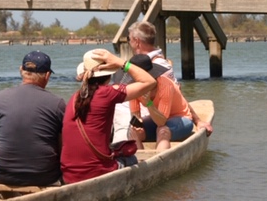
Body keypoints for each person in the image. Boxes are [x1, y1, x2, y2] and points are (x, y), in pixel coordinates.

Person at [60, 49, 156, 184]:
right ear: (109, 75)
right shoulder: (107, 93)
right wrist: (121, 62)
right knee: (132, 159)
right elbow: (149, 82)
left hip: (68, 174)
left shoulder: (75, 97)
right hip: (96, 172)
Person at [127, 20, 214, 136]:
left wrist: (197, 121)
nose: (128, 43)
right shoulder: (147, 64)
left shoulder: (159, 67)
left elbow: (177, 93)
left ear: (137, 42)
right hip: (153, 115)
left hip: (166, 117)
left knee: (160, 130)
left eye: (129, 39)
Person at [0, 51, 66, 186]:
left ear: (21, 70)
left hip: (3, 175)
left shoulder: (0, 98)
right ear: (48, 75)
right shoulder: (57, 103)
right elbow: (62, 146)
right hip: (45, 176)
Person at [125, 55, 194, 151]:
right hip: (156, 119)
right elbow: (136, 114)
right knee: (132, 131)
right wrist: (138, 127)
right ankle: (140, 160)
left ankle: (159, 160)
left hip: (180, 118)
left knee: (162, 131)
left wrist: (149, 103)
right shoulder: (134, 87)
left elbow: (161, 122)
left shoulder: (165, 86)